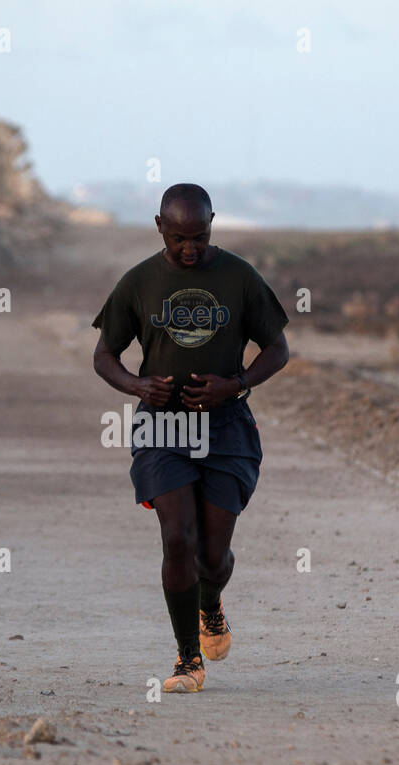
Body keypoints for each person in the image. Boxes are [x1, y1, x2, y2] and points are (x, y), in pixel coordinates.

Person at [92, 183, 290, 693]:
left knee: (213, 558)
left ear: (212, 225)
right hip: (163, 429)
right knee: (177, 538)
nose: (189, 248)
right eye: (179, 237)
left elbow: (278, 348)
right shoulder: (137, 282)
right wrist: (136, 384)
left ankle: (210, 603)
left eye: (199, 237)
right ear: (159, 227)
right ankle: (187, 659)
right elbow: (104, 355)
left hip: (227, 431)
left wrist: (237, 383)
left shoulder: (239, 277)